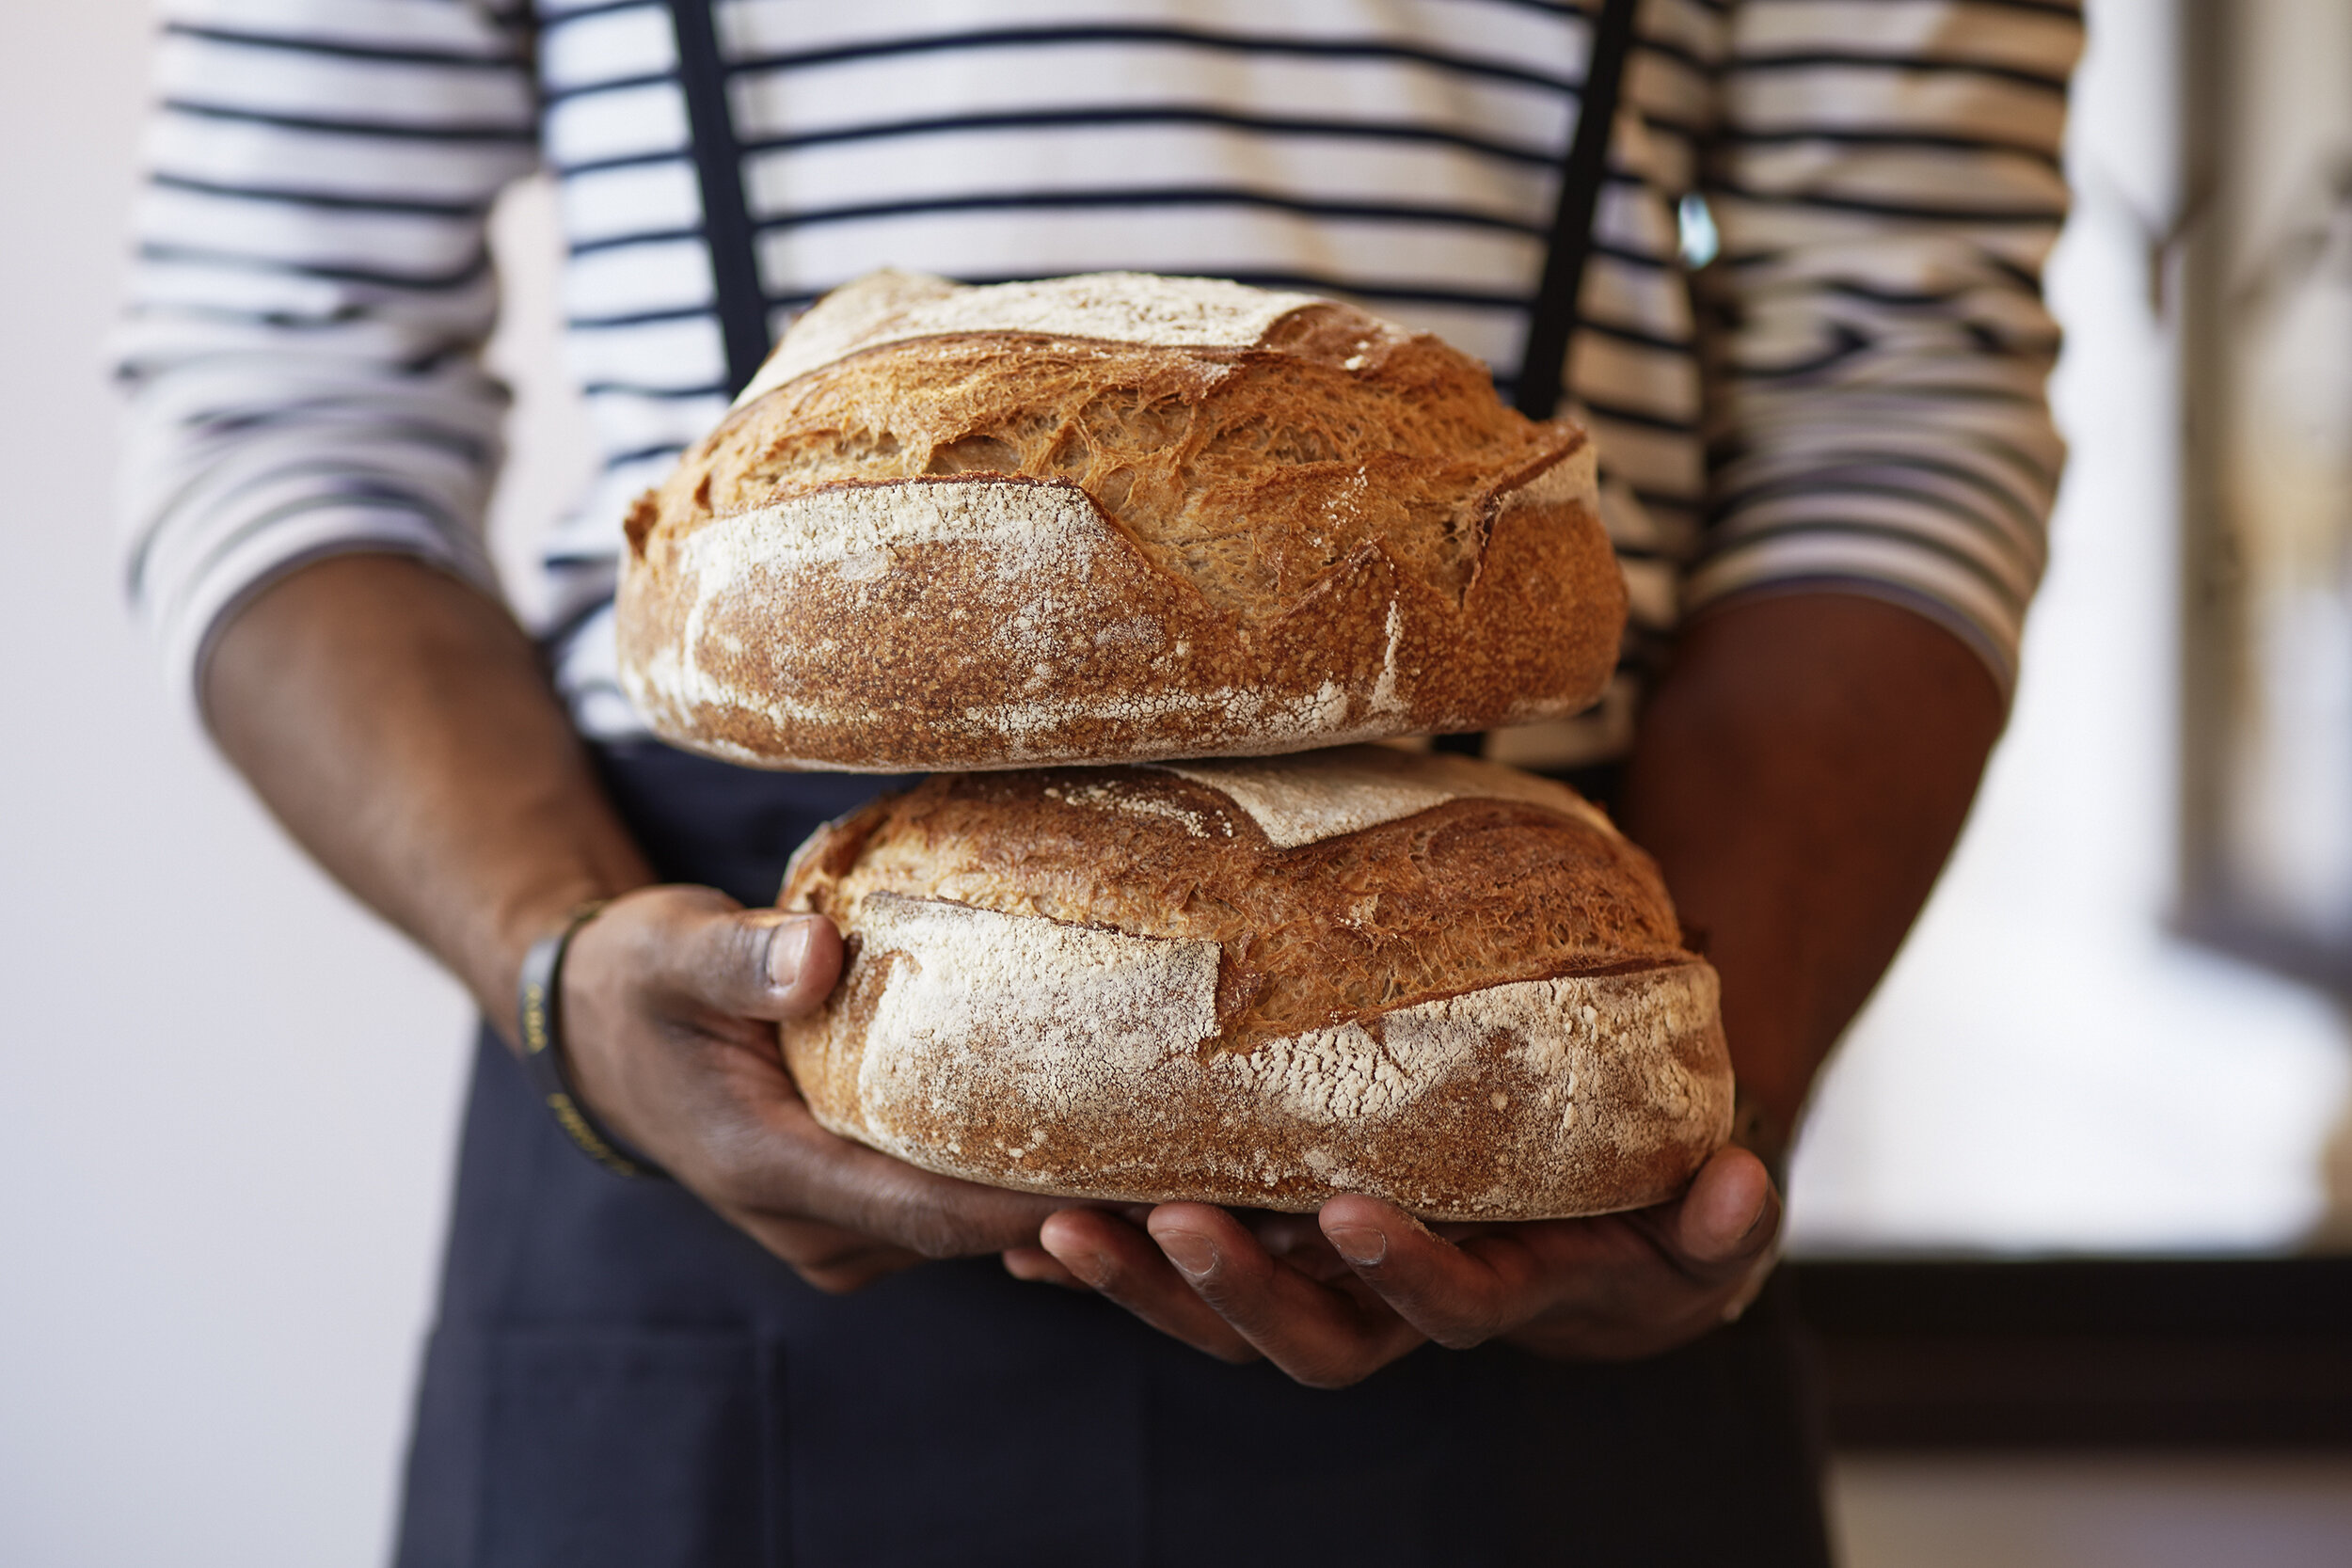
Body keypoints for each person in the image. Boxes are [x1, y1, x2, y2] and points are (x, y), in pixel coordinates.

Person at [119, 1, 2083, 1561]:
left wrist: (1697, 1095)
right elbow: (279, 396)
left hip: (1526, 1046)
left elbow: (1895, 399)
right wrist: (552, 961)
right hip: (719, 1021)